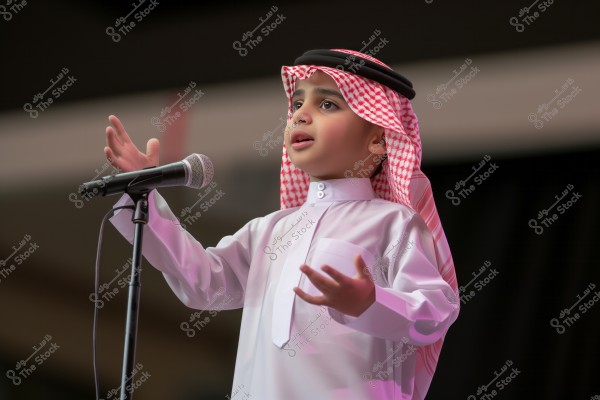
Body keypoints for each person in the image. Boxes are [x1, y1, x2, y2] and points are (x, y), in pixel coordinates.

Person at [105, 48, 460, 400]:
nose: (301, 116)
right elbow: (204, 283)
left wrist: (371, 302)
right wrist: (145, 198)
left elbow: (436, 311)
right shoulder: (270, 230)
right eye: (297, 105)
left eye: (327, 105)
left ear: (378, 139)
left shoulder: (392, 222)